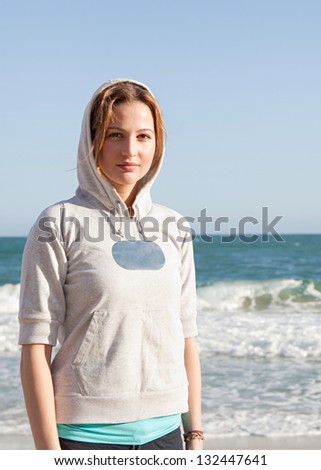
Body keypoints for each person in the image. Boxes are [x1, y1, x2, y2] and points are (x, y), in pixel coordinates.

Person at [19, 79, 203, 450]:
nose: (130, 150)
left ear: (158, 143)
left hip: (167, 438)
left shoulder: (174, 227)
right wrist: (49, 456)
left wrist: (194, 435)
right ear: (92, 142)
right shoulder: (57, 223)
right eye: (115, 134)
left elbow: (186, 337)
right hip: (85, 439)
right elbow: (35, 347)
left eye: (143, 136)